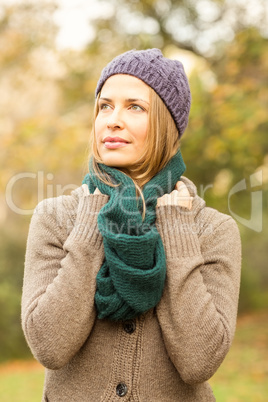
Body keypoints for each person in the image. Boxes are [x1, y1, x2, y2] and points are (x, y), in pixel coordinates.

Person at [21, 48, 241, 401]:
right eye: (104, 106)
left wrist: (177, 229)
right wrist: (92, 222)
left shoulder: (212, 230)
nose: (112, 120)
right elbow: (49, 346)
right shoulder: (56, 218)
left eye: (134, 107)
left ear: (168, 125)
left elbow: (199, 362)